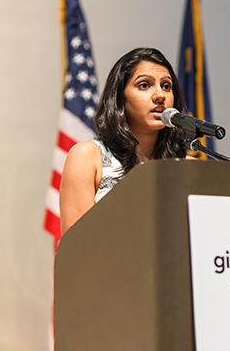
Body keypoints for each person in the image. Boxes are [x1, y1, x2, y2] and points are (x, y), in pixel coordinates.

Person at [60, 47, 189, 234]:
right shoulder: (88, 157)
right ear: (120, 98)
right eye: (144, 85)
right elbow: (77, 251)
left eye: (166, 86)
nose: (160, 95)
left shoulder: (187, 166)